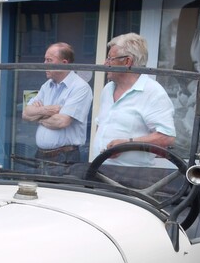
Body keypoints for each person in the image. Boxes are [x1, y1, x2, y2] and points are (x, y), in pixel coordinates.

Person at [92, 33, 176, 167]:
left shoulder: (153, 92)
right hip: (99, 170)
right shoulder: (108, 89)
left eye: (110, 58)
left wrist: (127, 144)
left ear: (127, 61)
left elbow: (167, 138)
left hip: (133, 178)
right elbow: (101, 125)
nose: (105, 63)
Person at [22, 42, 92, 172]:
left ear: (64, 63)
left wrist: (37, 117)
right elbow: (25, 113)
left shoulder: (80, 87)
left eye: (49, 60)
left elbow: (61, 121)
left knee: (57, 192)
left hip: (64, 158)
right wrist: (47, 110)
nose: (44, 64)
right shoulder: (47, 85)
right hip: (40, 156)